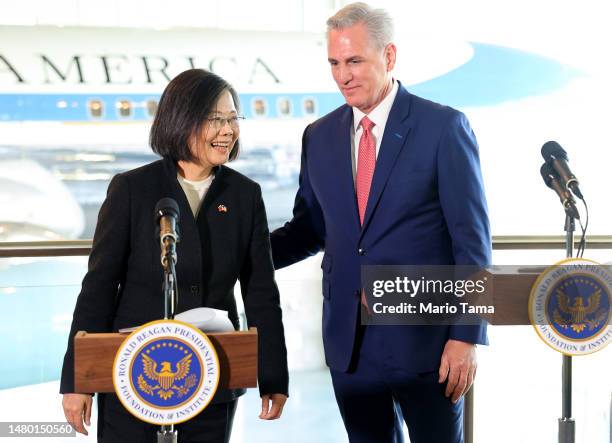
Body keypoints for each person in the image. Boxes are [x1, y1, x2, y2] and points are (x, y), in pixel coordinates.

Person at [271, 3, 491, 443]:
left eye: (354, 61)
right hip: (349, 347)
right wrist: (234, 254)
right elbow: (310, 228)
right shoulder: (319, 135)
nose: (342, 75)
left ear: (388, 57)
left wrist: (467, 337)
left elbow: (472, 241)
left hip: (428, 346)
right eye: (334, 63)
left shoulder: (443, 128)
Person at [60, 68, 289, 443]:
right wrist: (76, 380)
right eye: (215, 119)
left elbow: (261, 292)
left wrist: (274, 376)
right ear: (182, 120)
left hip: (212, 377)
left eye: (233, 118)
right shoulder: (132, 188)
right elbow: (99, 288)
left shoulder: (246, 195)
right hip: (131, 375)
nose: (228, 130)